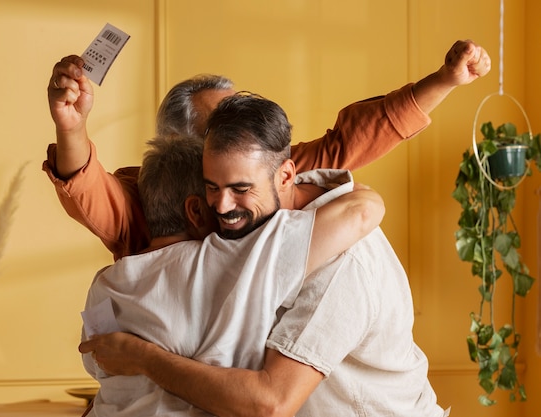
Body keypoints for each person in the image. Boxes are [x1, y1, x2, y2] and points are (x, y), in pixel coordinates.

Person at [81, 93, 451, 416]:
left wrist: (144, 358)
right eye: (213, 187)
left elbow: (271, 404)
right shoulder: (243, 241)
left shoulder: (338, 257)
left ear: (287, 176)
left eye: (241, 188)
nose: (222, 206)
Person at [43, 39, 491, 260]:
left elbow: (351, 140)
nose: (243, 134)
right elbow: (92, 191)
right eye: (224, 125)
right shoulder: (148, 194)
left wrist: (445, 80)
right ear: (183, 146)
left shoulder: (270, 173)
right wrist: (72, 125)